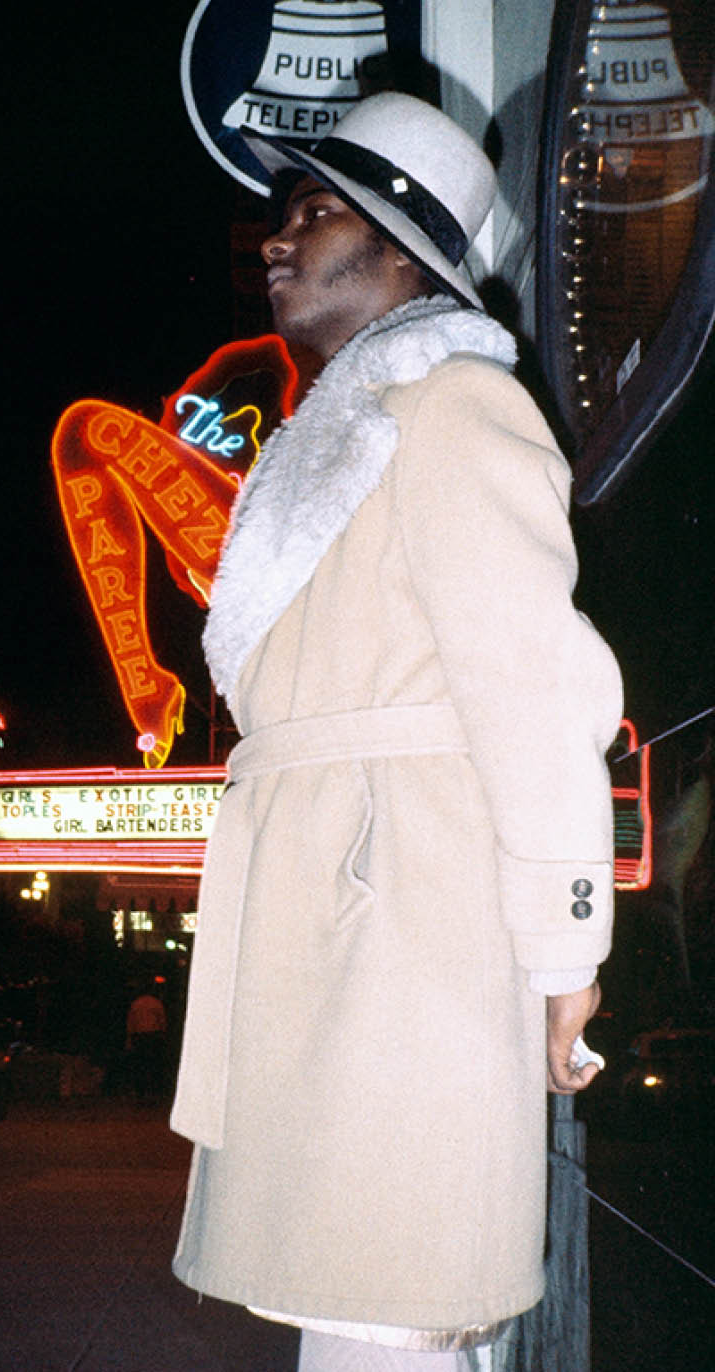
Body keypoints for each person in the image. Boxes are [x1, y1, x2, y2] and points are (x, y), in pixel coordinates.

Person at [168, 93, 622, 1372]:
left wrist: (565, 952)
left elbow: (535, 694)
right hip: (340, 903)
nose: (277, 237)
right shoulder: (347, 427)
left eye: (316, 211)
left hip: (407, 916)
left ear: (407, 252)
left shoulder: (455, 404)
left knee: (390, 1305)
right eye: (283, 214)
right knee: (357, 1302)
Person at [126, 983, 168, 1101]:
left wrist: (129, 1040)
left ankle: (141, 1092)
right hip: (153, 1036)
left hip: (140, 1036)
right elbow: (162, 1021)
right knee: (152, 1064)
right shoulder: (156, 1003)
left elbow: (131, 1023)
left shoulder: (136, 1004)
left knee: (140, 1064)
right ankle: (153, 1091)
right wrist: (163, 1036)